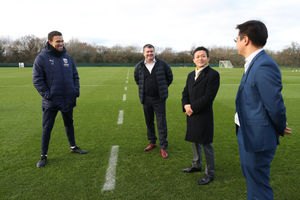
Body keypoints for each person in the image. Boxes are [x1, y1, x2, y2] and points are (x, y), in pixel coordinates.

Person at [234, 20, 292, 199]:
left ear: (246, 40)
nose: (235, 42)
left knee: (258, 185)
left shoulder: (263, 65)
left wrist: (279, 125)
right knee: (252, 180)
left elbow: (275, 105)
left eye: (236, 38)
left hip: (257, 137)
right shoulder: (254, 62)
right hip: (247, 132)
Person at [33, 31, 87, 168]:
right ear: (50, 42)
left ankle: (73, 147)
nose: (61, 43)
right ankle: (43, 156)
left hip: (68, 98)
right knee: (47, 128)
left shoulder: (68, 58)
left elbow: (75, 76)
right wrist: (48, 95)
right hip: (51, 101)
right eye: (58, 41)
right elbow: (37, 80)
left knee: (69, 124)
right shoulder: (41, 58)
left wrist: (76, 91)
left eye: (62, 41)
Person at [181, 46, 220, 185]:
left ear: (208, 58)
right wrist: (185, 105)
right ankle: (196, 164)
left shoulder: (213, 74)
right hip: (191, 114)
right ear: (193, 60)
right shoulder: (191, 75)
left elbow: (209, 97)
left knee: (206, 144)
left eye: (203, 56)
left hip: (203, 115)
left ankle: (210, 173)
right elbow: (185, 93)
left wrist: (192, 107)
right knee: (194, 140)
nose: (200, 58)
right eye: (197, 56)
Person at [134, 44, 173, 158]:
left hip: (159, 99)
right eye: (147, 52)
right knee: (149, 122)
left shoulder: (163, 64)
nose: (150, 53)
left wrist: (162, 89)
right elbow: (137, 80)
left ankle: (163, 146)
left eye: (151, 51)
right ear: (143, 53)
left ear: (154, 52)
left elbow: (169, 78)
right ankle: (152, 142)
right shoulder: (139, 66)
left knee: (161, 123)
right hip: (146, 99)